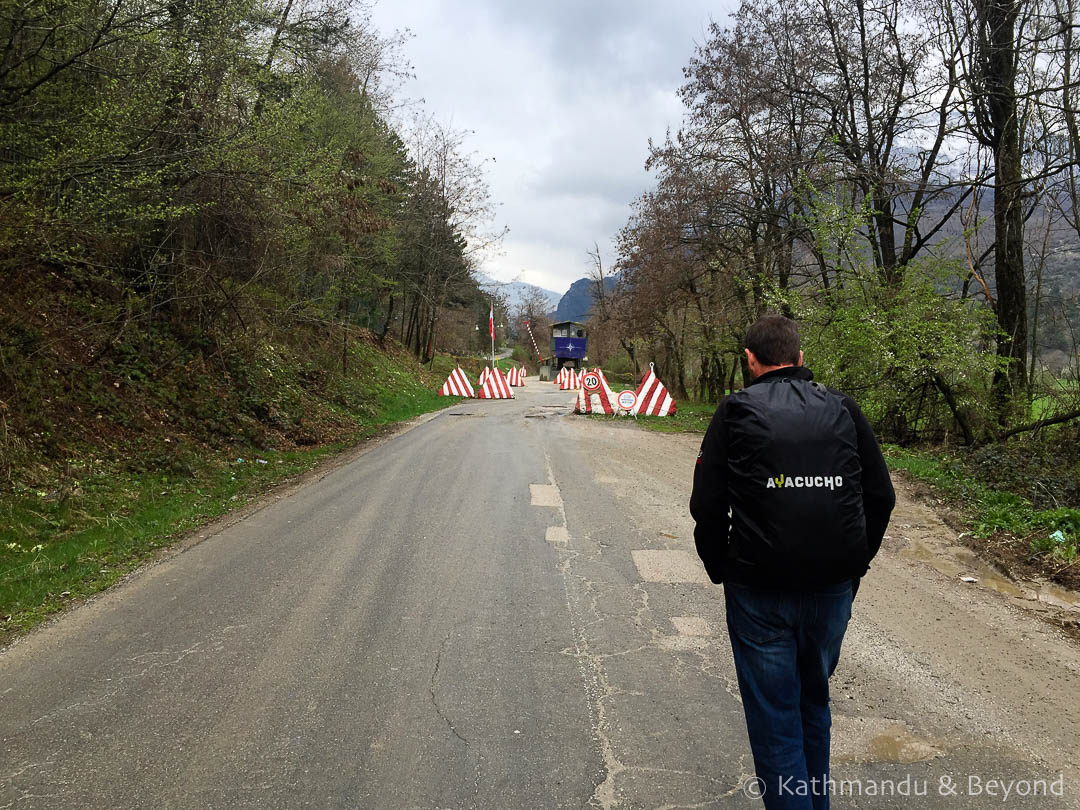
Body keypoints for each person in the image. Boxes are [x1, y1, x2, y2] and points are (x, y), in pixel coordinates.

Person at [690, 315, 895, 810]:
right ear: (801, 359)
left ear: (750, 361)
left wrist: (724, 568)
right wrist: (853, 566)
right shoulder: (844, 407)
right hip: (831, 590)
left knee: (776, 721)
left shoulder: (735, 410)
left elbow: (707, 504)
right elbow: (881, 497)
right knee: (812, 703)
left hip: (758, 592)